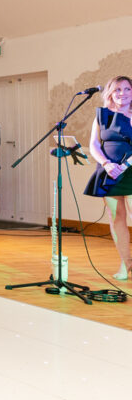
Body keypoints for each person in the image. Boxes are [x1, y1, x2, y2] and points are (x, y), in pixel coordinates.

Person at [84, 76, 132, 280]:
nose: (122, 93)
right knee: (116, 218)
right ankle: (126, 263)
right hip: (108, 171)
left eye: (127, 89)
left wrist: (125, 165)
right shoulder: (102, 115)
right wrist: (106, 164)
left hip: (129, 169)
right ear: (110, 93)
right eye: (118, 89)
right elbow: (94, 144)